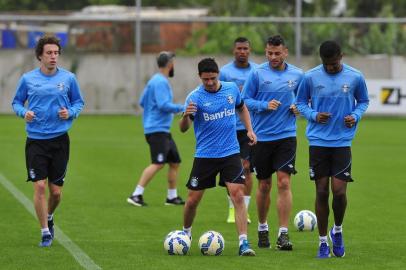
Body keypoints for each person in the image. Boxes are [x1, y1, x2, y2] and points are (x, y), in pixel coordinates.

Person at [296, 40, 369, 258]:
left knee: (339, 192)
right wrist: (313, 115)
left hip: (342, 142)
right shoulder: (310, 77)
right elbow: (300, 104)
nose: (330, 68)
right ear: (322, 60)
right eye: (327, 64)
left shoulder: (355, 76)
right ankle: (322, 243)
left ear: (342, 56)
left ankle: (337, 230)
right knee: (321, 191)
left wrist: (354, 116)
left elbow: (363, 101)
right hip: (318, 141)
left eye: (334, 64)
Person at [11, 35, 85, 247]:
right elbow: (16, 102)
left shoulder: (69, 78)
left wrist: (69, 113)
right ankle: (45, 231)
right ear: (40, 56)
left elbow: (79, 102)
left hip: (60, 141)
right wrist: (23, 112)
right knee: (40, 187)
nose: (53, 57)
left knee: (56, 192)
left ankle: (50, 216)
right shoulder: (27, 79)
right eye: (49, 53)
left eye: (56, 53)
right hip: (36, 141)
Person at [180, 58, 257, 256]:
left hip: (230, 152)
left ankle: (243, 243)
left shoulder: (231, 89)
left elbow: (241, 108)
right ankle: (186, 233)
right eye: (206, 79)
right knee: (192, 201)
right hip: (205, 155)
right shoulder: (194, 97)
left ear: (218, 75)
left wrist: (249, 129)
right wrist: (185, 116)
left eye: (213, 78)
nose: (210, 83)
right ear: (200, 77)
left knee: (237, 194)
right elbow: (183, 129)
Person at [242, 35, 303, 250]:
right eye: (269, 53)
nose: (273, 57)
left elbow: (304, 100)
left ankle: (283, 234)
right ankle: (262, 227)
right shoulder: (257, 73)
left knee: (284, 182)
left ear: (285, 52)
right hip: (262, 138)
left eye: (277, 53)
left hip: (287, 136)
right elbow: (244, 101)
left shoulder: (297, 75)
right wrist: (264, 105)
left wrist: (298, 108)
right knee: (265, 184)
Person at [127, 51, 185, 207]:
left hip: (161, 129)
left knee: (174, 162)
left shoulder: (154, 80)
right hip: (157, 130)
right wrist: (183, 108)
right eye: (173, 62)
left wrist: (150, 114)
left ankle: (171, 197)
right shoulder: (160, 82)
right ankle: (136, 194)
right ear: (170, 64)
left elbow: (141, 101)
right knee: (158, 163)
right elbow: (163, 105)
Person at [219, 37, 258, 224]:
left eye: (245, 48)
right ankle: (232, 208)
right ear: (234, 51)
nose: (242, 51)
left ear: (249, 51)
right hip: (229, 128)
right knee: (231, 171)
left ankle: (244, 210)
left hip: (248, 129)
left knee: (247, 168)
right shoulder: (225, 72)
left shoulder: (257, 71)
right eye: (239, 48)